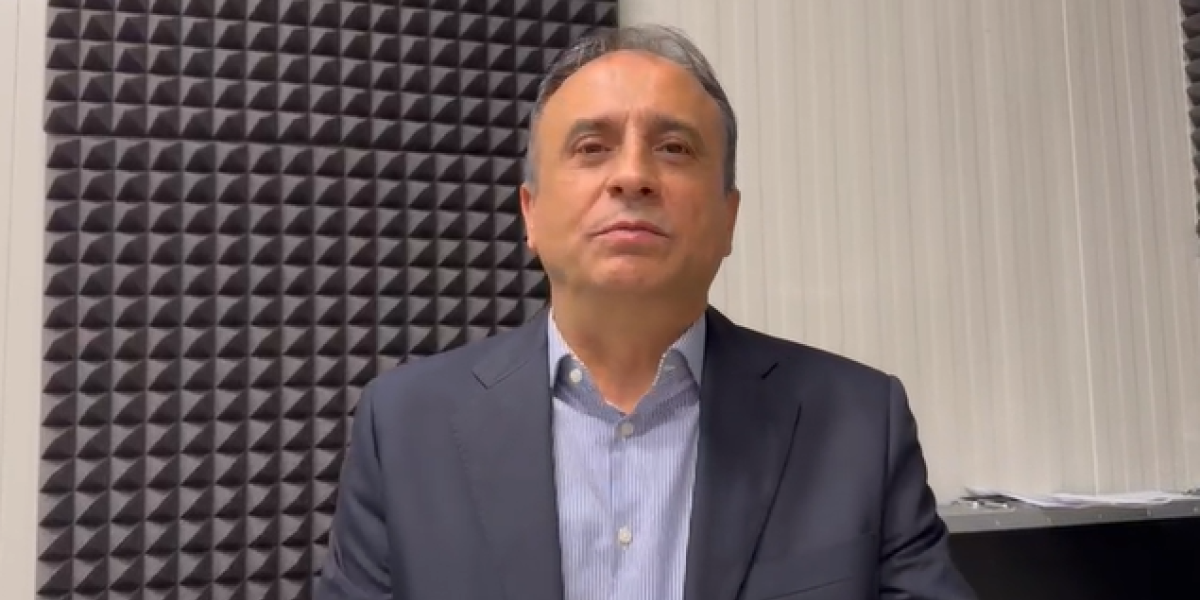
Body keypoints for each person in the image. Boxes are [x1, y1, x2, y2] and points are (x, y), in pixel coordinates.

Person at [314, 23, 976, 600]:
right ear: (531, 214)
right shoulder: (405, 428)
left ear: (728, 219)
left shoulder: (859, 426)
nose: (632, 175)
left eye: (674, 148)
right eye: (591, 147)